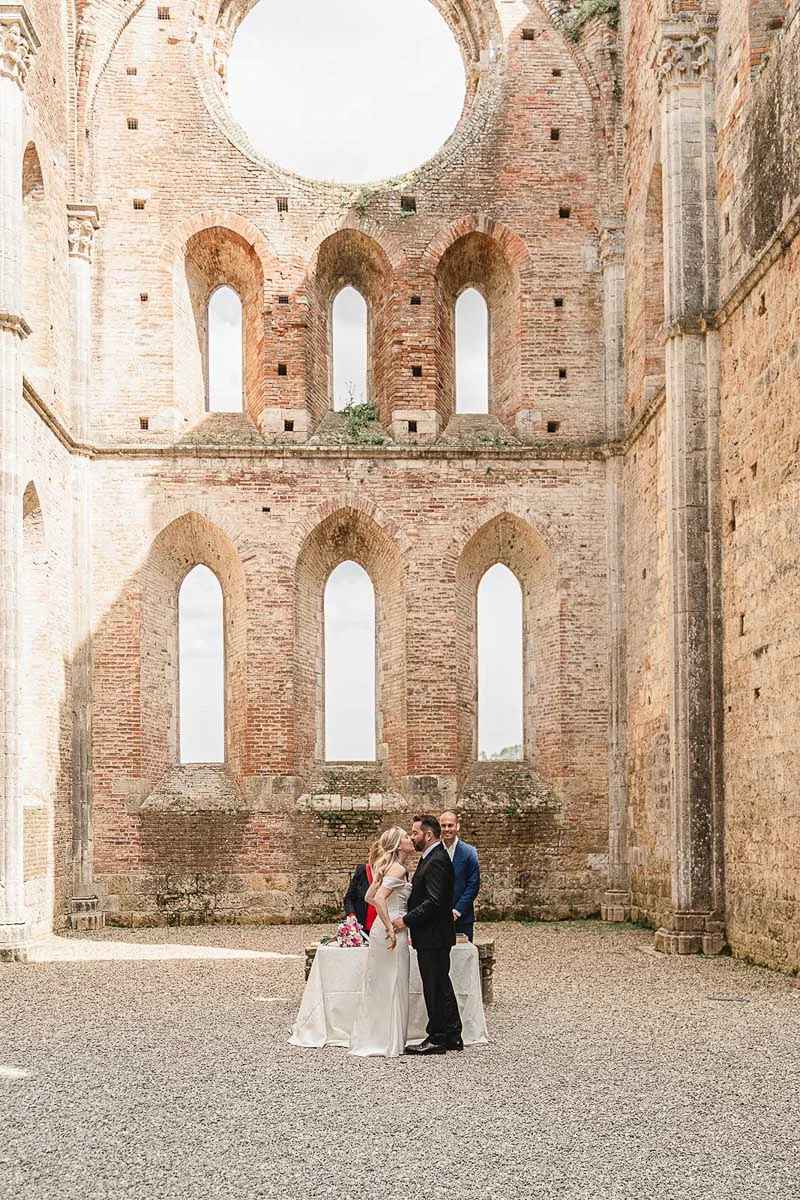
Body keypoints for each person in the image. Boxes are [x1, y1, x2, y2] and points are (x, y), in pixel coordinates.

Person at [393, 814, 463, 1055]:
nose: (413, 837)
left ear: (428, 835)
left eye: (415, 833)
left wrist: (406, 919)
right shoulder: (431, 857)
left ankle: (437, 1037)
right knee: (441, 984)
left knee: (434, 986)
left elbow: (434, 901)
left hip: (433, 935)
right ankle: (453, 1034)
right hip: (433, 935)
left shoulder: (436, 860)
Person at [349, 827, 414, 1058]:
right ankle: (389, 1040)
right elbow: (377, 898)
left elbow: (368, 897)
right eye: (407, 837)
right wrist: (389, 925)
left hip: (381, 929)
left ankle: (379, 1036)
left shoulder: (385, 867)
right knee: (394, 980)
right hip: (392, 929)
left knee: (382, 983)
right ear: (398, 845)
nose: (410, 839)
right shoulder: (397, 868)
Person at [439, 810, 480, 942]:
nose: (447, 829)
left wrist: (457, 911)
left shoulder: (469, 852)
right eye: (443, 825)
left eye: (450, 825)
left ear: (457, 826)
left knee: (463, 957)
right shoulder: (434, 851)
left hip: (463, 917)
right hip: (437, 917)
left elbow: (473, 885)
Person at [343, 863, 377, 934]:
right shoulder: (362, 871)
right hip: (363, 927)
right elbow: (349, 898)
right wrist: (351, 914)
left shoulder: (393, 872)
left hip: (384, 926)